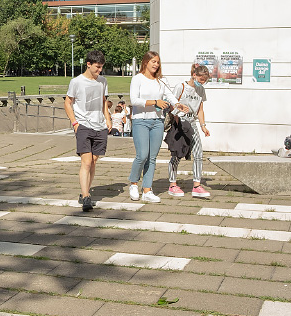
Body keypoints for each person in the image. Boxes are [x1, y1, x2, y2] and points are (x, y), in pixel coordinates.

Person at [127, 51, 189, 203]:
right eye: (153, 61)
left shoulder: (160, 81)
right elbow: (134, 100)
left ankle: (147, 190)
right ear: (146, 62)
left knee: (152, 157)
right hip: (141, 120)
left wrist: (178, 104)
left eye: (157, 62)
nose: (156, 64)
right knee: (142, 155)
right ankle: (133, 183)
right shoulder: (138, 79)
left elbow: (169, 95)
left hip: (157, 122)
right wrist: (155, 102)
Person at [64, 50, 112, 212]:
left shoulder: (103, 81)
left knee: (94, 161)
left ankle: (85, 191)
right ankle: (86, 196)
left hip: (100, 126)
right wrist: (75, 123)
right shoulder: (76, 82)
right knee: (86, 161)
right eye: (97, 67)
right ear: (88, 64)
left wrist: (108, 119)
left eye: (101, 68)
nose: (100, 71)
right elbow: (67, 103)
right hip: (83, 125)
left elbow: (104, 101)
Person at [166, 63, 212, 198]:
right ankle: (172, 184)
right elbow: (171, 104)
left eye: (204, 81)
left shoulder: (201, 90)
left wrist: (203, 126)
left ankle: (197, 185)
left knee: (198, 153)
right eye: (201, 80)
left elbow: (200, 109)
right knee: (177, 154)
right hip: (180, 123)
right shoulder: (181, 87)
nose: (202, 83)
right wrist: (176, 117)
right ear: (194, 75)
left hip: (192, 123)